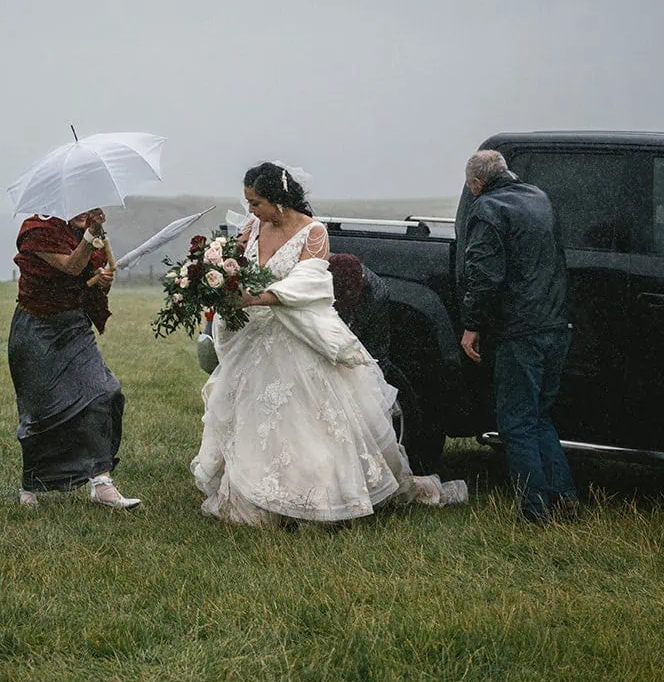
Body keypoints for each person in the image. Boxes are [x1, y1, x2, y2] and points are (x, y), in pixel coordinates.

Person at [191, 163, 466, 527]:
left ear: (278, 200)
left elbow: (310, 282)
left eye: (256, 203)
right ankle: (253, 493)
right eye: (248, 203)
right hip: (255, 336)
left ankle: (319, 497)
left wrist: (260, 297)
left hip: (298, 333)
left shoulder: (313, 232)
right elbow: (235, 264)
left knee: (306, 421)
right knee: (252, 414)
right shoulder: (253, 226)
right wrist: (215, 279)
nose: (251, 210)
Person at [455, 148, 576, 523]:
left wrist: (472, 325)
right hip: (555, 324)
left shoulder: (487, 210)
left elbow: (485, 276)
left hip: (519, 330)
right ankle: (565, 498)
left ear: (476, 183)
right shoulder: (539, 199)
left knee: (516, 422)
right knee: (539, 416)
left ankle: (534, 509)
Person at [9, 207, 139, 510]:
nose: (88, 209)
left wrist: (102, 279)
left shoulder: (84, 231)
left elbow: (87, 275)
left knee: (104, 393)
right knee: (41, 412)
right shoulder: (37, 229)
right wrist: (90, 234)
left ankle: (101, 482)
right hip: (36, 328)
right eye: (81, 205)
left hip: (73, 326)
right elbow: (69, 267)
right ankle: (32, 484)